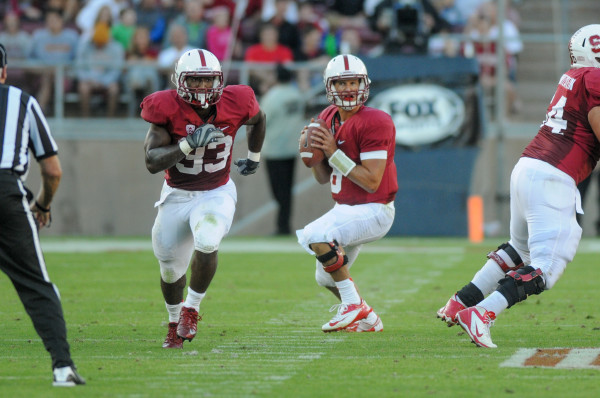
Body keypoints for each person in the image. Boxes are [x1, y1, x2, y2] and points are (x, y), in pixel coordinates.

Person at [437, 24, 600, 348]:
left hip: (529, 168)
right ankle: (482, 313)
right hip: (553, 177)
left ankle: (462, 301)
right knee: (546, 267)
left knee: (519, 249)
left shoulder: (575, 76)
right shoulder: (594, 79)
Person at [141, 48, 266, 348]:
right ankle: (173, 322)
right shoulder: (165, 107)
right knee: (170, 270)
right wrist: (186, 145)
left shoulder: (238, 100)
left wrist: (254, 156)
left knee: (208, 239)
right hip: (177, 194)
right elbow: (151, 161)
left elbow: (259, 119)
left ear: (219, 80)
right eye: (194, 81)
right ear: (180, 81)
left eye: (207, 80)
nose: (201, 88)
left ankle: (192, 309)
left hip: (216, 191)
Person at [0, 43, 85, 386]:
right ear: (3, 73)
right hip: (5, 194)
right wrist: (43, 204)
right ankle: (62, 367)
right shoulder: (21, 101)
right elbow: (52, 170)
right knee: (36, 285)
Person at [296, 54, 398, 333]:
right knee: (326, 278)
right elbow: (322, 178)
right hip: (345, 208)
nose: (348, 89)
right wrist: (313, 154)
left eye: (353, 82)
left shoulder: (376, 121)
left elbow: (371, 181)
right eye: (341, 83)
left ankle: (354, 306)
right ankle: (368, 320)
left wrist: (332, 151)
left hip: (374, 208)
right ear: (329, 87)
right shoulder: (327, 117)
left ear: (364, 84)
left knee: (317, 235)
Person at [261, 64, 305, 235]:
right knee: (287, 190)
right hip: (291, 148)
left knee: (278, 191)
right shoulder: (297, 95)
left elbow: (262, 120)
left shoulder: (272, 97)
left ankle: (283, 225)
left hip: (274, 149)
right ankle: (283, 224)